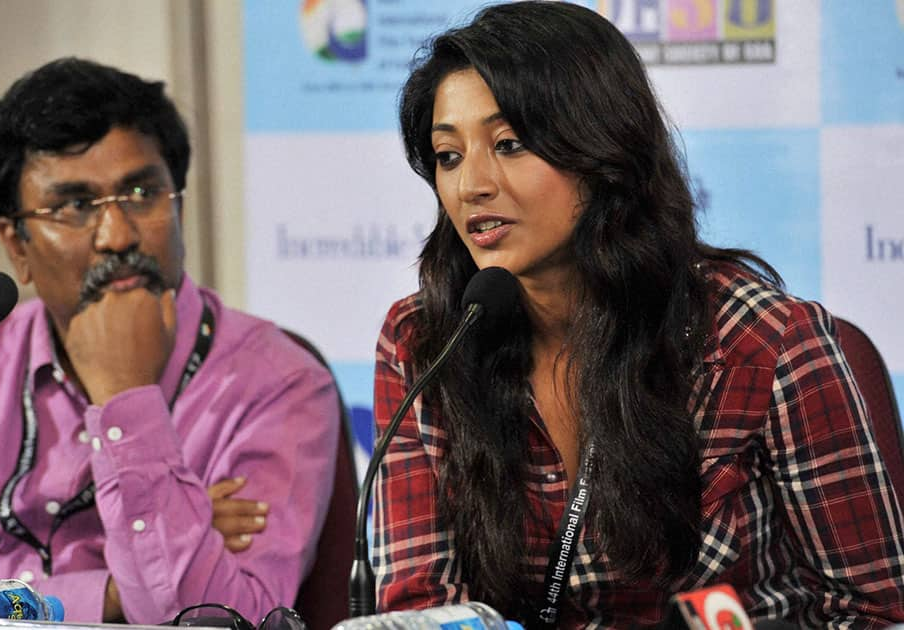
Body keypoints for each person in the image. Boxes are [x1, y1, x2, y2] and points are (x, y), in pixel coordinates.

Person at [372, 2, 904, 628]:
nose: (471, 187)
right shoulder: (425, 340)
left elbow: (876, 610)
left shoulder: (764, 342)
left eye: (509, 144)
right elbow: (423, 612)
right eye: (448, 155)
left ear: (603, 152)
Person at [0, 58, 340, 625]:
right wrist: (111, 592)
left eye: (141, 192)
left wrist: (125, 401)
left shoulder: (278, 381)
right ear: (16, 244)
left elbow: (226, 620)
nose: (118, 235)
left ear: (177, 201)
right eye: (76, 206)